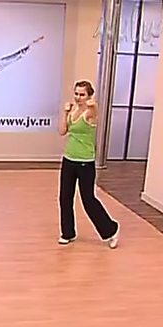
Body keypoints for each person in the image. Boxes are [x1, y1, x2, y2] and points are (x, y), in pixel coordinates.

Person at [58, 80, 119, 248]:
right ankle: (68, 233)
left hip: (85, 162)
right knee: (65, 198)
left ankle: (111, 230)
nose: (78, 97)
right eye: (76, 94)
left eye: (82, 94)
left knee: (88, 200)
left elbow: (95, 113)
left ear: (89, 96)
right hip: (69, 159)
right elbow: (62, 131)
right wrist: (65, 113)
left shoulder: (90, 113)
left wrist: (93, 105)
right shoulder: (73, 111)